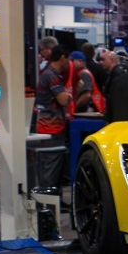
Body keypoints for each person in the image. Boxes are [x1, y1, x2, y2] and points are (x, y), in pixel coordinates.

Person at [34, 44, 72, 189]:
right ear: (63, 58)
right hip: (50, 128)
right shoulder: (51, 76)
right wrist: (68, 96)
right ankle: (47, 202)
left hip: (50, 127)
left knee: (54, 167)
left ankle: (53, 198)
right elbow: (63, 99)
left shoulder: (49, 74)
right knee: (50, 166)